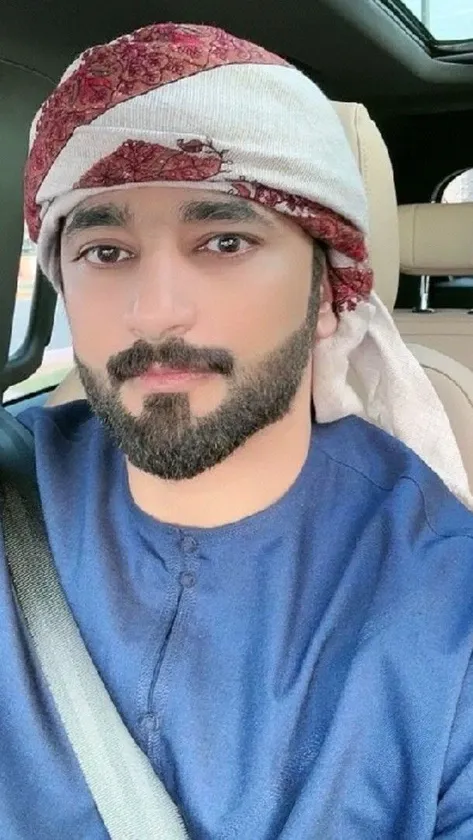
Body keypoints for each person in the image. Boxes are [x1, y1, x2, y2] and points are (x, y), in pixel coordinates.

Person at [1, 20, 473, 839]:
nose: (154, 311)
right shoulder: (15, 483)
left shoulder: (445, 604)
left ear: (327, 297)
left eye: (224, 240)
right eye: (106, 251)